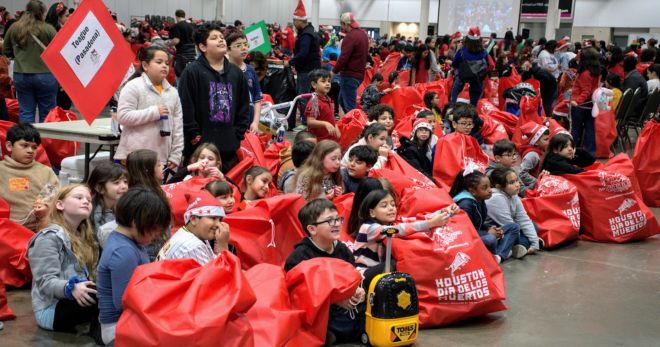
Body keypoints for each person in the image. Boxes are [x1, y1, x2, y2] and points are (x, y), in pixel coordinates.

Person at [284, 199, 366, 344]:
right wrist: (336, 300)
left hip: (347, 310)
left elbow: (354, 278)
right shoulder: (300, 257)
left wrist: (358, 291)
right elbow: (298, 299)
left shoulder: (343, 250)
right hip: (321, 315)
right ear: (312, 229)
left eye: (338, 219)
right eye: (329, 221)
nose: (336, 224)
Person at [96, 187, 171, 345]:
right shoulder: (123, 251)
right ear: (136, 223)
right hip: (118, 329)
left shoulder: (131, 242)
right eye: (154, 230)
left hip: (130, 320)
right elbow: (124, 303)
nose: (157, 235)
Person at [26, 184, 101, 343]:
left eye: (88, 199)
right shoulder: (48, 238)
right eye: (79, 197)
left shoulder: (82, 235)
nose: (86, 201)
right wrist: (70, 287)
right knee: (104, 294)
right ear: (60, 205)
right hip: (51, 310)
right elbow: (46, 282)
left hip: (74, 302)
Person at [178, 23, 251, 172]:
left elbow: (244, 106)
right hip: (201, 152)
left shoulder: (236, 73)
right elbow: (186, 108)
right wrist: (196, 138)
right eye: (214, 38)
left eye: (221, 37)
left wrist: (237, 135)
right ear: (203, 47)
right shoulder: (192, 72)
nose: (221, 40)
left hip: (230, 149)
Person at [349, 189, 457, 272]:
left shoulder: (392, 222)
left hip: (380, 271)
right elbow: (399, 229)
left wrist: (444, 211)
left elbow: (417, 219)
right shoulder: (368, 228)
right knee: (396, 265)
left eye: (393, 204)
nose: (391, 208)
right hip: (363, 273)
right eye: (384, 205)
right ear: (372, 213)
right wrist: (430, 224)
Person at [115, 46, 184, 171]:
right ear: (145, 65)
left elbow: (178, 126)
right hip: (134, 157)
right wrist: (153, 112)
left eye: (167, 63)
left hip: (162, 159)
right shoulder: (133, 86)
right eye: (159, 62)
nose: (164, 66)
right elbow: (123, 116)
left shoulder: (173, 92)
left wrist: (176, 154)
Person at [2, 0, 58, 123]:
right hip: (46, 75)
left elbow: (6, 50)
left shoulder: (14, 28)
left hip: (21, 75)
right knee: (48, 113)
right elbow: (59, 52)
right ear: (42, 12)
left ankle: (26, 141)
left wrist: (19, 56)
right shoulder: (48, 29)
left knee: (26, 111)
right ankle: (45, 141)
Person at [450, 169, 521, 264]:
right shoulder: (465, 204)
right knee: (490, 239)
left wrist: (490, 228)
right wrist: (487, 232)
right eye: (484, 188)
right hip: (465, 239)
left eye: (490, 186)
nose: (490, 190)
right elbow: (464, 232)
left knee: (513, 227)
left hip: (479, 234)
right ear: (472, 191)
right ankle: (499, 253)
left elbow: (479, 224)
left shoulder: (480, 198)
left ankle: (498, 256)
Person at [0, 123, 59, 231]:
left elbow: (56, 197)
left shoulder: (46, 172)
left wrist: (46, 207)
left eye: (34, 147)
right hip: (5, 231)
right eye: (24, 145)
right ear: (9, 146)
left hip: (40, 229)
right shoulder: (1, 170)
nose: (30, 151)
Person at [158, 189, 230, 264]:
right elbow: (219, 274)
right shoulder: (192, 246)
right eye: (213, 218)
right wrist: (223, 246)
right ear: (193, 219)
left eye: (220, 219)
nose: (218, 224)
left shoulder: (195, 234)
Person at [125, 149, 171, 260]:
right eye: (159, 164)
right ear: (148, 170)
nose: (163, 166)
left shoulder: (156, 191)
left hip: (161, 250)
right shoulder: (143, 199)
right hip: (151, 253)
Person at [485, 168, 540, 257]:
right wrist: (532, 240)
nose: (517, 185)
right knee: (516, 229)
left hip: (509, 228)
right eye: (512, 183)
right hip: (496, 233)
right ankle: (518, 246)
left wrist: (535, 242)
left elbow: (524, 219)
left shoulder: (513, 195)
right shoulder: (496, 198)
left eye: (517, 181)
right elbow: (510, 226)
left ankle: (523, 245)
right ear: (499, 186)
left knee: (533, 225)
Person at [287, 0, 321, 118]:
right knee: (309, 95)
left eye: (294, 20)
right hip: (311, 68)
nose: (293, 23)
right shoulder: (309, 31)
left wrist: (290, 61)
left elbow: (303, 53)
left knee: (303, 95)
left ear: (299, 20)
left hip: (307, 70)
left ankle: (306, 121)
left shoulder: (306, 35)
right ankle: (308, 120)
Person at [225, 30, 263, 134]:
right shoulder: (224, 71)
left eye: (246, 44)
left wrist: (255, 122)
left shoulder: (250, 70)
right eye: (238, 45)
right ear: (228, 50)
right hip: (231, 124)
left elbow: (257, 99)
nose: (244, 48)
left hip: (249, 123)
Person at [333, 12, 369, 113]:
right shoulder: (363, 34)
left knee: (349, 106)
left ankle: (353, 126)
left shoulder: (350, 37)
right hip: (359, 75)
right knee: (342, 100)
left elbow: (343, 58)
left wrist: (333, 72)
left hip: (349, 75)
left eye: (342, 24)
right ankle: (349, 123)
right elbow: (366, 53)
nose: (342, 27)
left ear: (345, 24)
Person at [86, 162, 128, 246]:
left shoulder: (129, 207)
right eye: (116, 183)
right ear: (99, 188)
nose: (124, 186)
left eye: (125, 182)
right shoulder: (90, 213)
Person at [450, 26, 493, 106]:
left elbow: (454, 64)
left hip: (461, 81)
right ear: (480, 40)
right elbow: (490, 65)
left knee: (454, 102)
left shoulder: (462, 51)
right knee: (474, 105)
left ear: (467, 39)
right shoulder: (484, 53)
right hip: (477, 82)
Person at [571, 47, 601, 155]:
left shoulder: (585, 73)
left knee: (575, 130)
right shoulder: (595, 71)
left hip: (581, 105)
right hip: (590, 104)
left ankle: (572, 151)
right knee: (590, 129)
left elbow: (585, 91)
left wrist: (577, 101)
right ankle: (590, 153)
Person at [45, 2, 71, 109]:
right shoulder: (56, 32)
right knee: (61, 105)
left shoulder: (50, 29)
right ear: (58, 17)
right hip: (58, 75)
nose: (69, 18)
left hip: (56, 75)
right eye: (66, 16)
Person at [305, 69, 340, 141]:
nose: (327, 84)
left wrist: (336, 127)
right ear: (314, 85)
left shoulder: (329, 99)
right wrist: (325, 124)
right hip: (320, 141)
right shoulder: (314, 101)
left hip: (330, 139)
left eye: (329, 81)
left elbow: (331, 117)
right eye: (323, 81)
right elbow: (310, 122)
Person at [169, 9, 196, 78]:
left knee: (180, 75)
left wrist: (169, 44)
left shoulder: (176, 26)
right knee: (191, 74)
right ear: (184, 15)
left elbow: (176, 40)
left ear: (176, 16)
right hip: (192, 53)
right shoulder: (192, 26)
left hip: (182, 53)